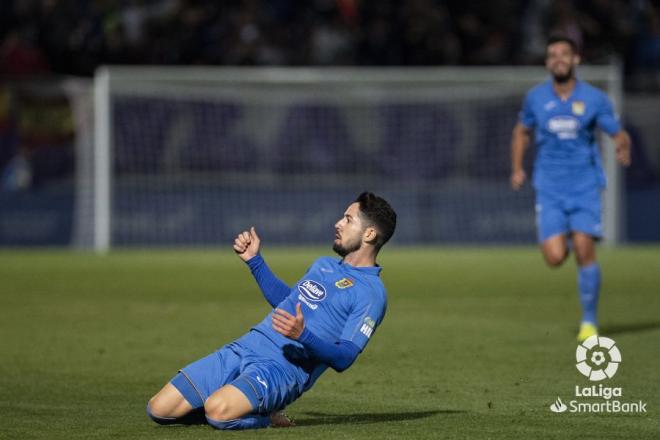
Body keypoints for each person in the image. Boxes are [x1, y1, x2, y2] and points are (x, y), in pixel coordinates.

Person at [146, 192, 397, 430]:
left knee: (217, 412)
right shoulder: (324, 264)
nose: (338, 223)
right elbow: (287, 302)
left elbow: (344, 358)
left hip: (282, 370)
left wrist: (303, 336)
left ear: (369, 234)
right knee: (159, 409)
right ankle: (239, 404)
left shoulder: (372, 294)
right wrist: (255, 261)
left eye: (348, 219)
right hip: (248, 345)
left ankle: (264, 418)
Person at [510, 35, 631, 342]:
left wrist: (622, 147)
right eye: (552, 55)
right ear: (548, 62)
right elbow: (522, 132)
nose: (558, 59)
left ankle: (589, 322)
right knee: (554, 257)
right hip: (549, 186)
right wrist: (517, 168)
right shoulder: (536, 98)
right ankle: (566, 231)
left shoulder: (594, 98)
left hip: (584, 185)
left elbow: (618, 132)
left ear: (576, 59)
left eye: (564, 54)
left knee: (584, 248)